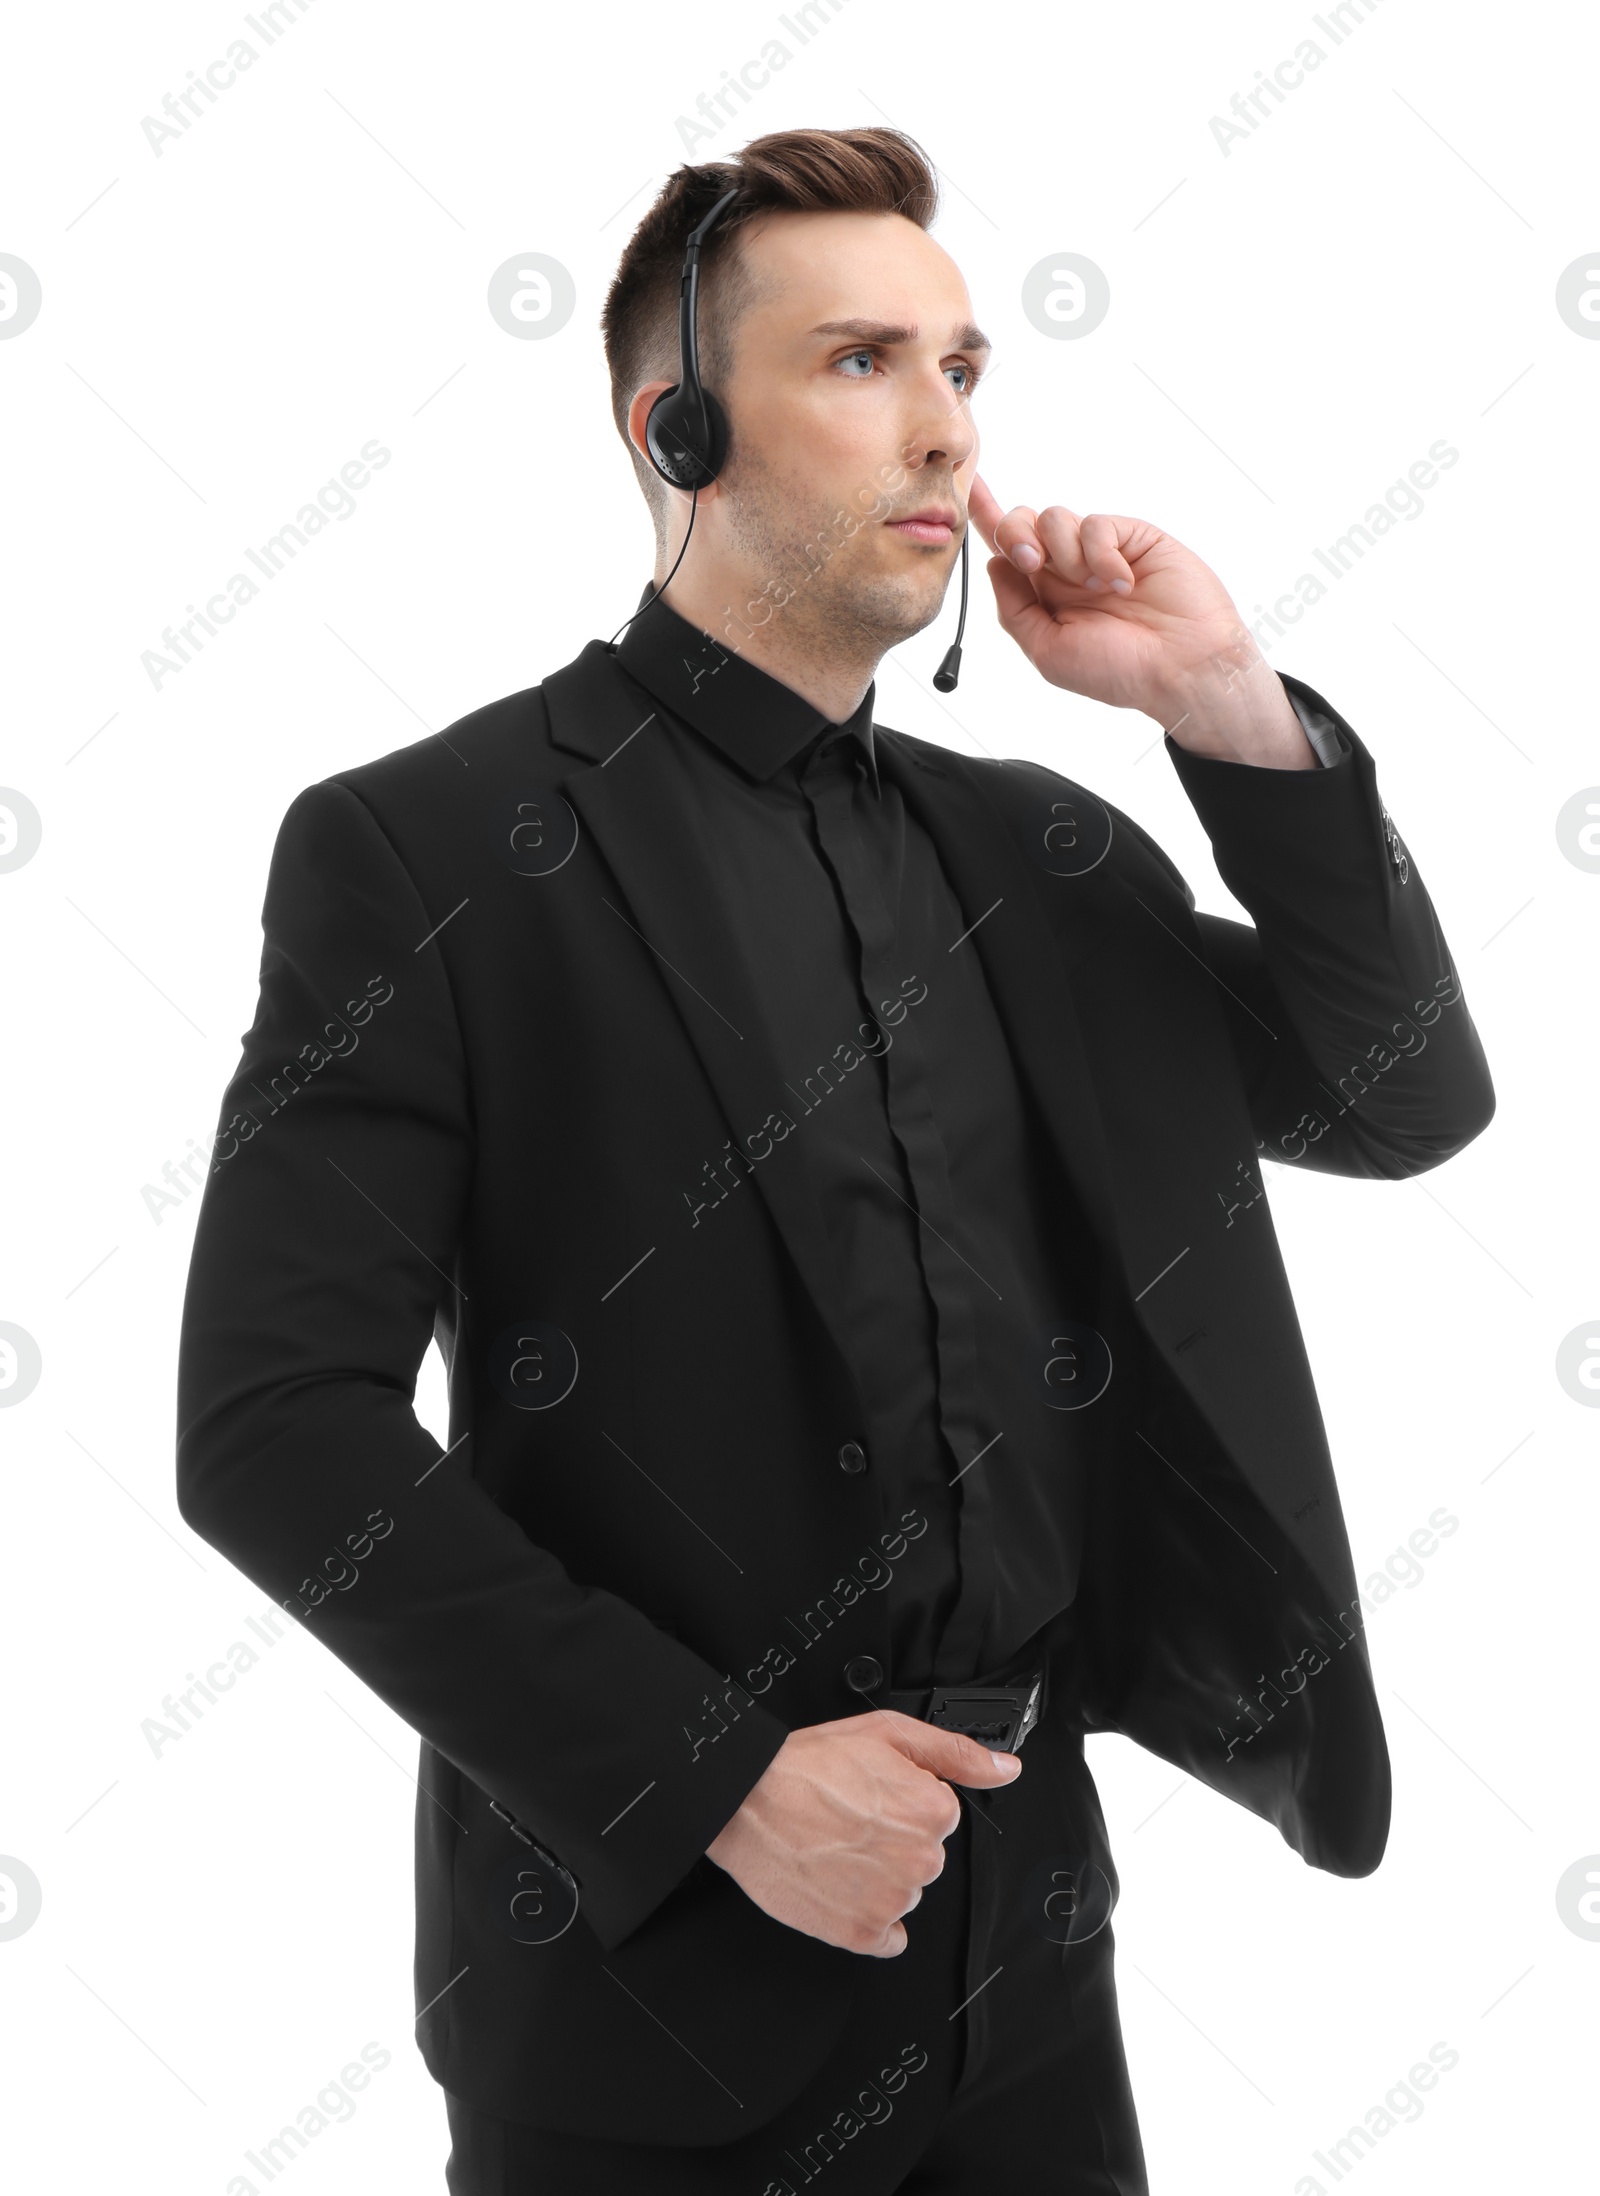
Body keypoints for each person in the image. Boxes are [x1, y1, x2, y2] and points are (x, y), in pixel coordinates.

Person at [175, 125, 1495, 2194]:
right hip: (645, 1988)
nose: (946, 433)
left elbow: (1399, 1093)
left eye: (963, 369)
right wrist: (712, 1784)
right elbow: (271, 1428)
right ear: (679, 425)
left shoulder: (1044, 858)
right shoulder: (423, 854)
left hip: (1034, 1954)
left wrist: (1226, 706)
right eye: (863, 362)